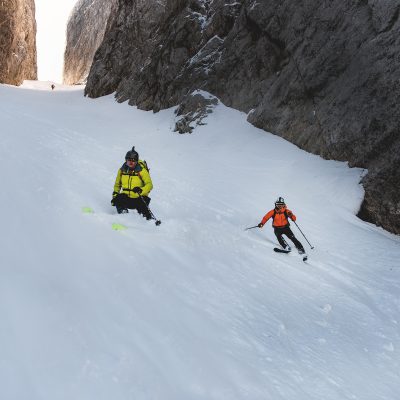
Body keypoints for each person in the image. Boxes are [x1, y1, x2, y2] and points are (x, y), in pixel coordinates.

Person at [111, 147, 153, 219]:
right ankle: (124, 217)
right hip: (127, 197)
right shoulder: (122, 170)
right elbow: (117, 184)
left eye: (133, 160)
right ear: (126, 160)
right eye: (129, 160)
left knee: (145, 214)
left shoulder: (141, 171)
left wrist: (141, 190)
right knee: (118, 199)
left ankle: (148, 221)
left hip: (139, 197)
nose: (131, 162)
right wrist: (115, 195)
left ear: (136, 161)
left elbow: (150, 185)